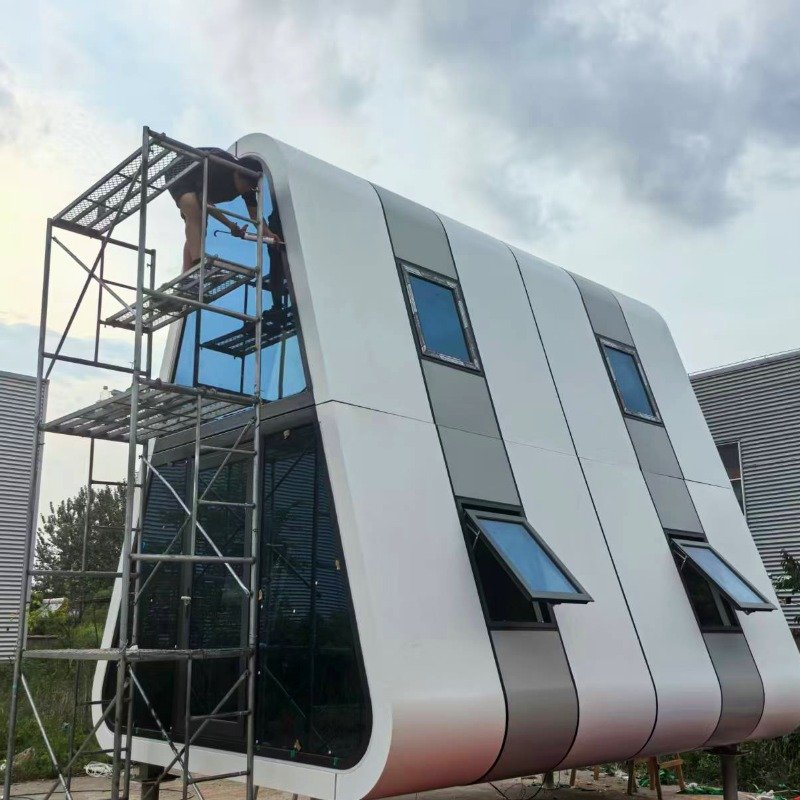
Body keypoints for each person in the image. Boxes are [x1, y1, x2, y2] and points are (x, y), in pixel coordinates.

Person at [166, 147, 282, 271]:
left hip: (201, 188)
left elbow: (255, 214)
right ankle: (197, 267)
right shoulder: (219, 169)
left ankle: (188, 272)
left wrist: (267, 233)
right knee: (193, 210)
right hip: (181, 169)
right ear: (237, 174)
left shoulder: (248, 184)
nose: (248, 190)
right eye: (248, 185)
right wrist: (230, 225)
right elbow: (204, 202)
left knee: (201, 229)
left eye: (252, 187)